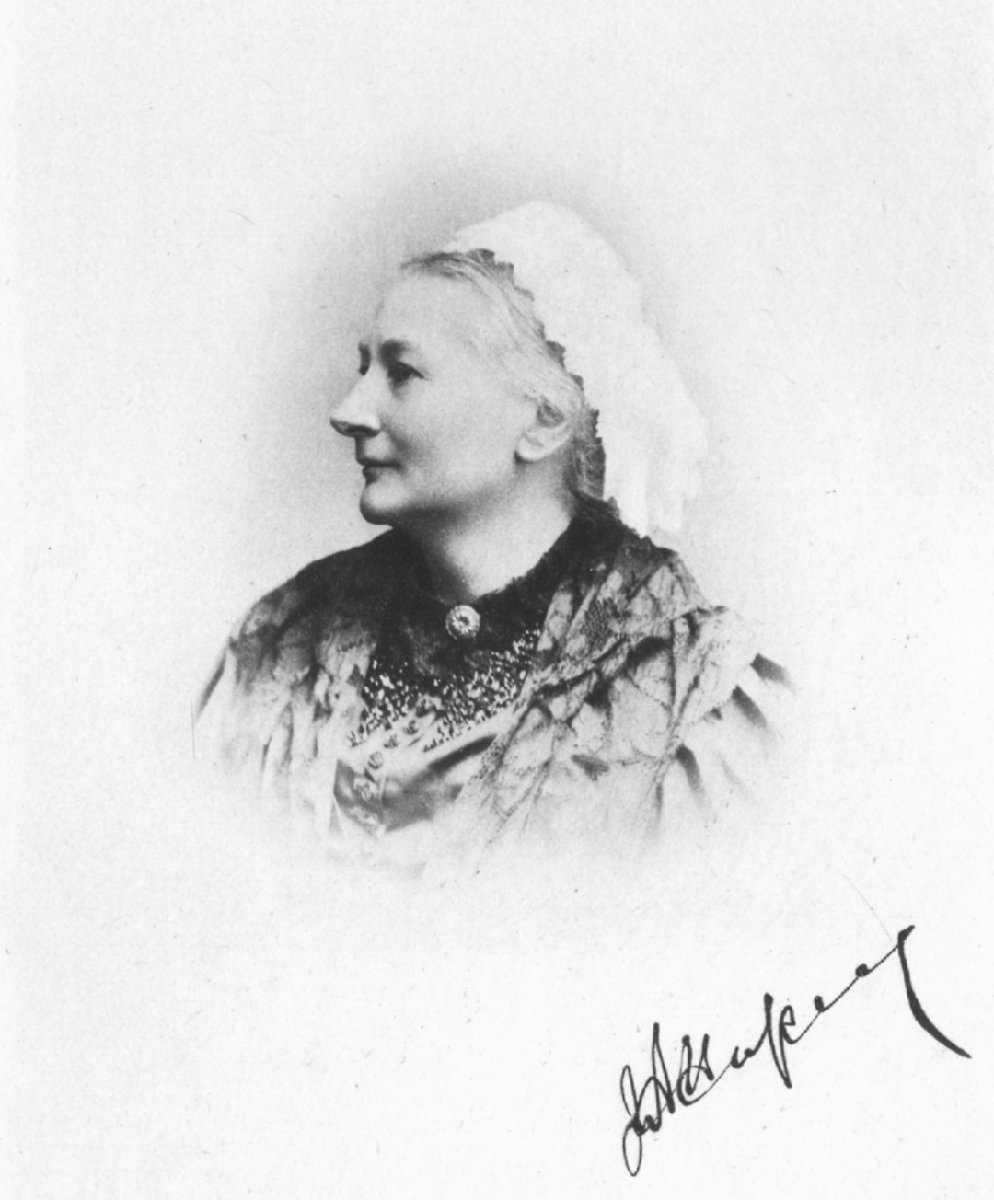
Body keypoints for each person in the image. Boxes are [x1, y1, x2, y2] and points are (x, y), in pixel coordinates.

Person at [196, 202, 790, 873]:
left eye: (402, 373)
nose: (348, 411)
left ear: (543, 421)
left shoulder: (695, 691)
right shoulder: (281, 640)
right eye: (365, 370)